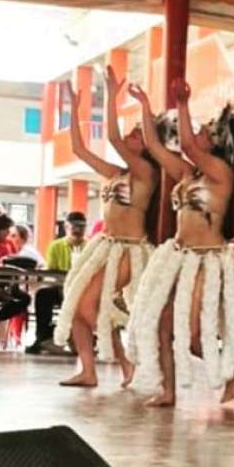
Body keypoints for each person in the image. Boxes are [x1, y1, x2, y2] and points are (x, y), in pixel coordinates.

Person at [123, 81, 234, 407]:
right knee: (162, 327)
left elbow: (186, 143)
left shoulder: (221, 172)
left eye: (207, 130)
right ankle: (169, 391)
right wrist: (145, 105)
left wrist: (183, 103)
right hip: (179, 256)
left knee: (195, 333)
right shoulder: (189, 172)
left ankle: (233, 374)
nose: (199, 131)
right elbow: (154, 146)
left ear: (216, 142)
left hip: (207, 260)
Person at [54, 70, 162, 388]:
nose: (129, 136)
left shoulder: (145, 173)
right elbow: (79, 150)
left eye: (138, 135)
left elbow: (113, 138)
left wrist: (112, 97)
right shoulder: (116, 172)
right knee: (80, 306)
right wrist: (73, 111)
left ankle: (127, 364)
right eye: (132, 132)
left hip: (130, 248)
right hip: (104, 244)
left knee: (89, 305)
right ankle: (89, 371)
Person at [24, 212, 87, 355]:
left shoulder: (89, 246)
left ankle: (81, 339)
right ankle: (42, 338)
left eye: (82, 227)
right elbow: (52, 272)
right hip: (60, 286)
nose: (78, 230)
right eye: (74, 226)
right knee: (43, 295)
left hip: (83, 290)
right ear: (66, 227)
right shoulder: (56, 246)